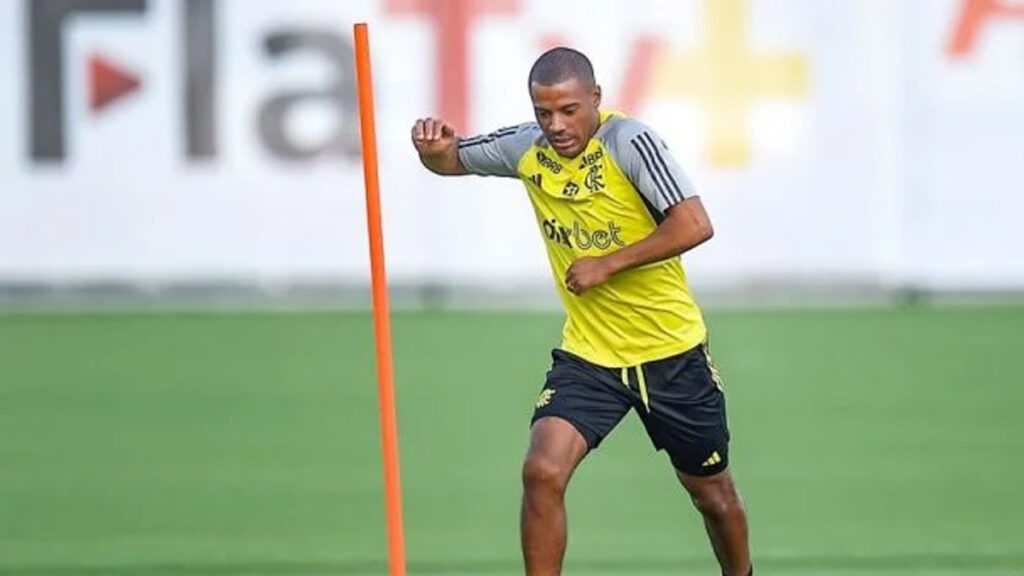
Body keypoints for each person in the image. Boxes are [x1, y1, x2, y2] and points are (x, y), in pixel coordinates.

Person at [411, 47, 752, 576]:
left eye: (569, 110)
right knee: (542, 470)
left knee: (712, 495)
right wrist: (431, 148)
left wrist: (608, 264)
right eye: (544, 112)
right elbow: (451, 159)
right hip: (590, 356)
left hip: (671, 353)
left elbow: (694, 224)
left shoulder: (630, 143)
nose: (557, 125)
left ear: (595, 98)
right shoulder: (528, 149)